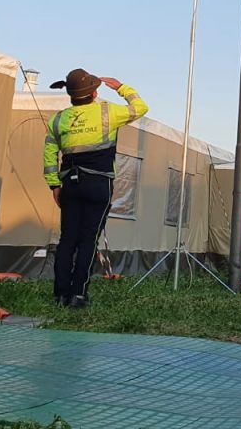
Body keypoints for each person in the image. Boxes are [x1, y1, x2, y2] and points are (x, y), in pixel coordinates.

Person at [43, 69, 149, 308]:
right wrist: (121, 87)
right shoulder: (107, 112)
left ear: (70, 94)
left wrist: (54, 184)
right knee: (88, 239)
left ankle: (60, 294)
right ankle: (78, 295)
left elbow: (49, 153)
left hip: (69, 183)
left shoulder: (57, 120)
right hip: (98, 184)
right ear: (94, 92)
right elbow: (140, 108)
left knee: (67, 239)